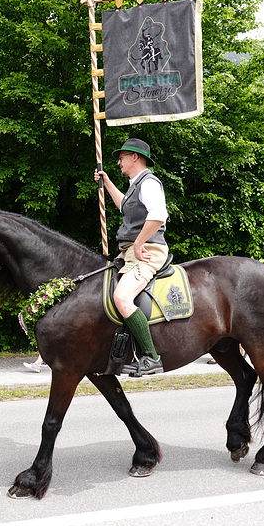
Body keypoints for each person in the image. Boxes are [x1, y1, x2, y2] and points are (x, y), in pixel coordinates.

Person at [94, 138, 168, 376]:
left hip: (147, 250)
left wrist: (138, 243)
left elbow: (158, 216)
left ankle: (151, 357)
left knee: (122, 297)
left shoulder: (149, 183)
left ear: (135, 157)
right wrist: (107, 183)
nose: (118, 163)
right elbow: (124, 206)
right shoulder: (136, 185)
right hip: (130, 251)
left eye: (122, 157)